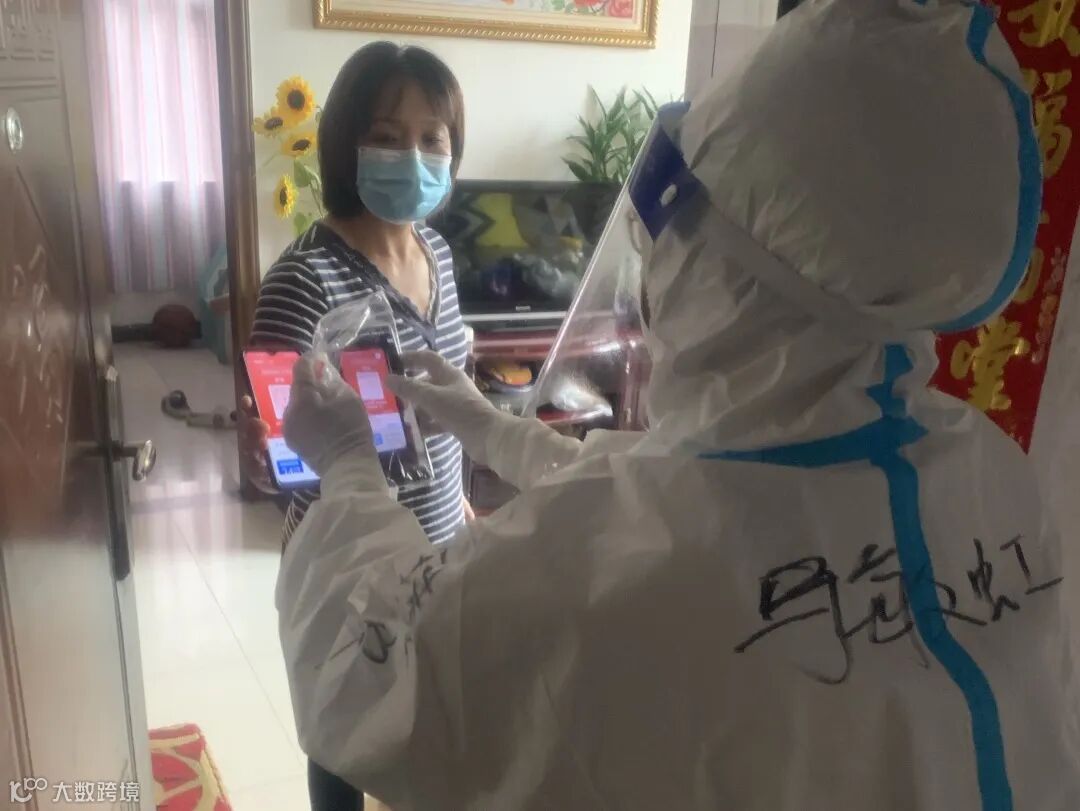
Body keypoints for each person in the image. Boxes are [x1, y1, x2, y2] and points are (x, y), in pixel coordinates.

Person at [275, 0, 1080, 808]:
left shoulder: (602, 581)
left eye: (670, 213)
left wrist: (347, 467)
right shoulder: (992, 480)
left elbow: (372, 668)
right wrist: (493, 429)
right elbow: (673, 500)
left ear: (729, 261)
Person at [240, 42, 471, 811]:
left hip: (438, 548)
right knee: (343, 737)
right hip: (348, 564)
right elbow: (281, 451)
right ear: (346, 143)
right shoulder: (303, 279)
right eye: (386, 135)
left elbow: (447, 404)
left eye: (432, 137)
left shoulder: (438, 253)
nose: (414, 155)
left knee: (430, 724)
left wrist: (459, 497)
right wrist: (283, 446)